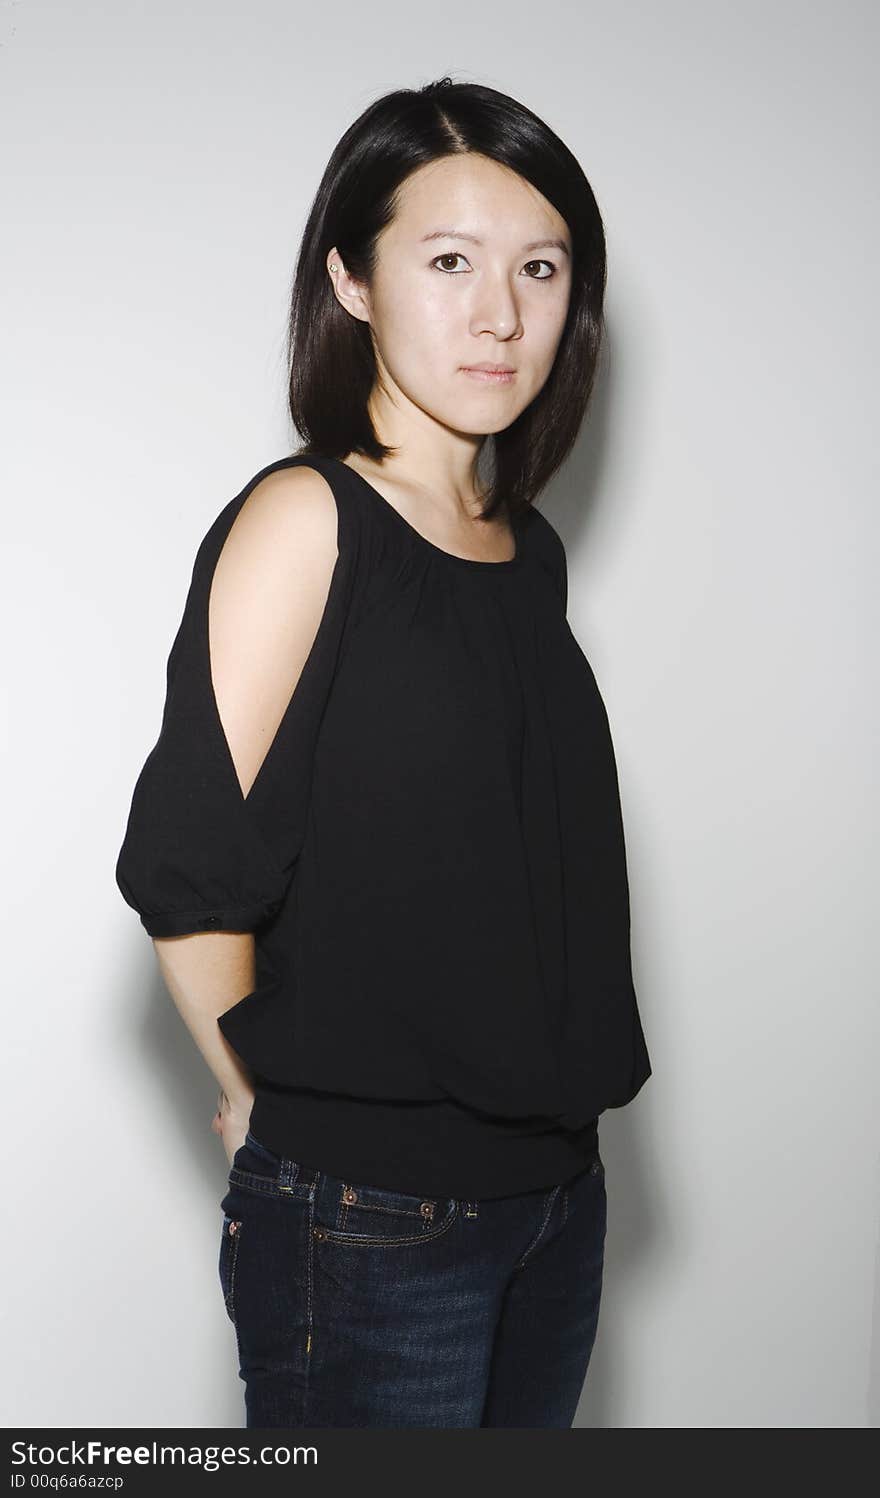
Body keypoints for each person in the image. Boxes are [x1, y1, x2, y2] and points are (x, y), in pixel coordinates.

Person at [115, 76, 652, 1429]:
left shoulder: (527, 550)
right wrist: (258, 1109)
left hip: (558, 1206)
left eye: (541, 267)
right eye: (451, 261)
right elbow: (193, 866)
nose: (501, 313)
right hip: (370, 1223)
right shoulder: (309, 516)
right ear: (351, 278)